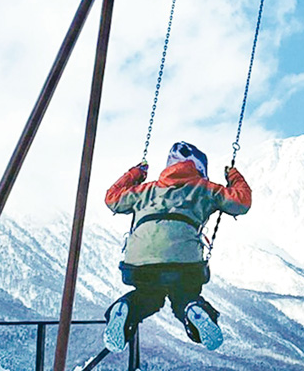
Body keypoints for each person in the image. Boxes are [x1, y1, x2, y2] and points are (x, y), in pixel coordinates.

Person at [102, 141, 252, 352]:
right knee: (185, 294)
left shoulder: (147, 189)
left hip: (139, 259)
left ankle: (125, 307)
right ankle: (194, 309)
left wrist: (135, 173)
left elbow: (112, 198)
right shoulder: (205, 189)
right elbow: (241, 202)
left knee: (149, 297)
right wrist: (233, 176)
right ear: (200, 168)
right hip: (184, 259)